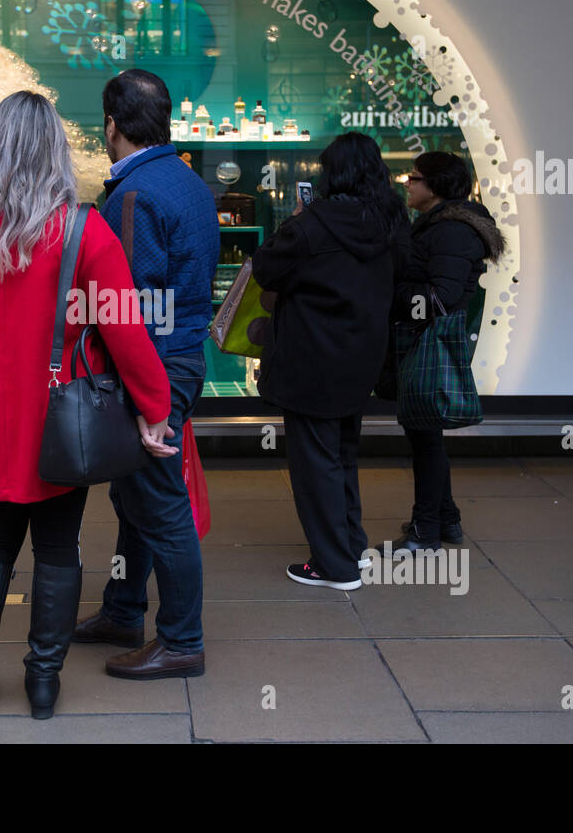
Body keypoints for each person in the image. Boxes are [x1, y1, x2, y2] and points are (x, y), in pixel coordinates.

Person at [0, 90, 175, 722]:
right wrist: (154, 406)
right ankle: (43, 682)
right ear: (57, 153)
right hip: (57, 416)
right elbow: (123, 325)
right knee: (59, 547)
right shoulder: (83, 230)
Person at [71, 69, 220, 680]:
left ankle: (182, 640)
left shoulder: (132, 194)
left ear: (111, 126)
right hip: (181, 356)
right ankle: (124, 609)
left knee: (159, 503)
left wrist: (140, 396)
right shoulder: (186, 180)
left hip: (153, 363)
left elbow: (124, 304)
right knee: (136, 498)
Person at [252, 132, 407, 591]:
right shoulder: (389, 221)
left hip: (311, 359)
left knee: (314, 463)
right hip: (362, 356)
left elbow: (265, 268)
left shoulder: (312, 224)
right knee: (342, 455)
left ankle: (333, 566)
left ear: (331, 172)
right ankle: (350, 549)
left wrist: (296, 220)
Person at [389, 151, 505, 552]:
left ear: (434, 187)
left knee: (424, 434)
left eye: (414, 178)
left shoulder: (451, 230)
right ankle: (447, 520)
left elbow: (441, 297)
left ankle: (426, 530)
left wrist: (393, 294)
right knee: (426, 432)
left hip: (431, 340)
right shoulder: (442, 224)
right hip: (429, 339)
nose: (408, 184)